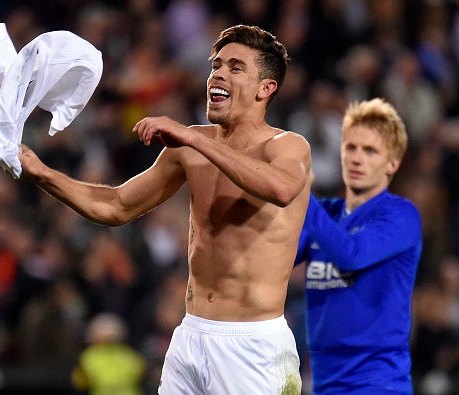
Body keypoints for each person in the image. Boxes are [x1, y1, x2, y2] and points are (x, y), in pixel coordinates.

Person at [18, 25, 311, 395]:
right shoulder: (189, 146)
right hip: (190, 336)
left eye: (236, 68)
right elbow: (116, 206)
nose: (218, 74)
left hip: (254, 347)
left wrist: (191, 137)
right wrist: (43, 174)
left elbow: (281, 188)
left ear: (265, 89)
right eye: (216, 65)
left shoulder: (287, 146)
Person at [294, 97, 423, 394]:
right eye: (350, 147)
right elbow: (278, 259)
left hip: (377, 383)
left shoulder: (401, 215)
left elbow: (351, 254)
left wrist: (299, 190)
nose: (356, 158)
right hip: (324, 382)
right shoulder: (325, 213)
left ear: (393, 163)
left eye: (370, 151)